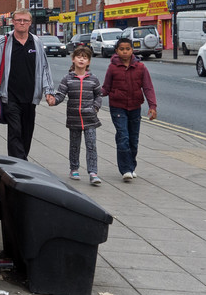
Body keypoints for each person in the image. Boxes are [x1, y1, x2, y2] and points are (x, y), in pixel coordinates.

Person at [0, 9, 55, 160]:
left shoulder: (36, 42)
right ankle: (19, 167)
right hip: (10, 97)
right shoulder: (4, 42)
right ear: (13, 22)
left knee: (26, 133)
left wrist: (49, 91)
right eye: (18, 20)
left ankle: (21, 163)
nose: (22, 23)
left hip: (30, 97)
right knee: (15, 131)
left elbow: (44, 68)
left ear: (30, 23)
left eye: (25, 20)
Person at [103, 36, 158, 182]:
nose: (125, 52)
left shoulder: (140, 67)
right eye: (122, 49)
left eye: (128, 49)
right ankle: (125, 169)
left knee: (133, 139)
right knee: (123, 136)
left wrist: (152, 106)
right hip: (117, 107)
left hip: (135, 107)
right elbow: (106, 88)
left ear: (132, 50)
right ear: (116, 51)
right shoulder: (112, 67)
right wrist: (92, 95)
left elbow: (148, 87)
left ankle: (131, 166)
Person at [50, 44, 103, 185]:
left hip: (90, 118)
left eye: (84, 58)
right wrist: (53, 100)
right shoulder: (67, 79)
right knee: (74, 145)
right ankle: (74, 168)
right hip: (74, 119)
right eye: (79, 57)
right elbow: (60, 95)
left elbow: (99, 95)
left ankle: (93, 172)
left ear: (89, 61)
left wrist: (95, 108)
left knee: (91, 145)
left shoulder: (93, 79)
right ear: (73, 59)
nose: (81, 60)